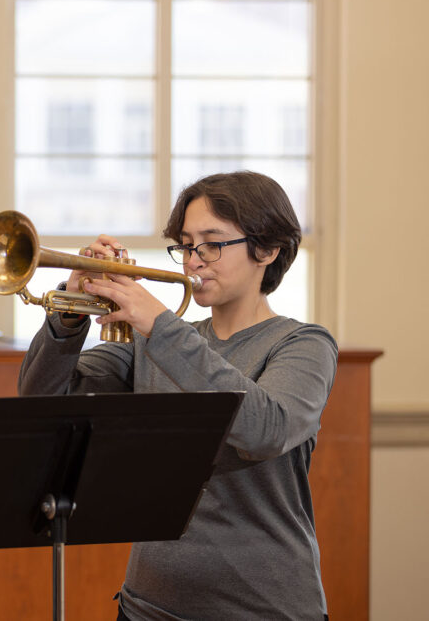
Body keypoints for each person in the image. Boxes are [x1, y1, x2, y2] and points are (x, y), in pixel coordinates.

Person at [18, 171, 337, 620]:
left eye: (212, 243)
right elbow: (42, 403)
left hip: (264, 609)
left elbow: (265, 430)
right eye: (186, 245)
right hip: (147, 606)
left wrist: (160, 325)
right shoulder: (159, 342)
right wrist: (68, 312)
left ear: (267, 250)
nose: (192, 262)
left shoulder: (302, 345)